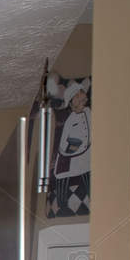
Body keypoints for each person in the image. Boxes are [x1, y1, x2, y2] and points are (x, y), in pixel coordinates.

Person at [51, 79, 91, 215]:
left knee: (88, 172)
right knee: (63, 178)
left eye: (82, 97)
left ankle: (93, 197)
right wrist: (71, 148)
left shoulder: (88, 112)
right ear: (72, 101)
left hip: (86, 151)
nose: (82, 100)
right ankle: (62, 205)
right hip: (69, 156)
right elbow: (64, 141)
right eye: (78, 98)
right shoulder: (71, 119)